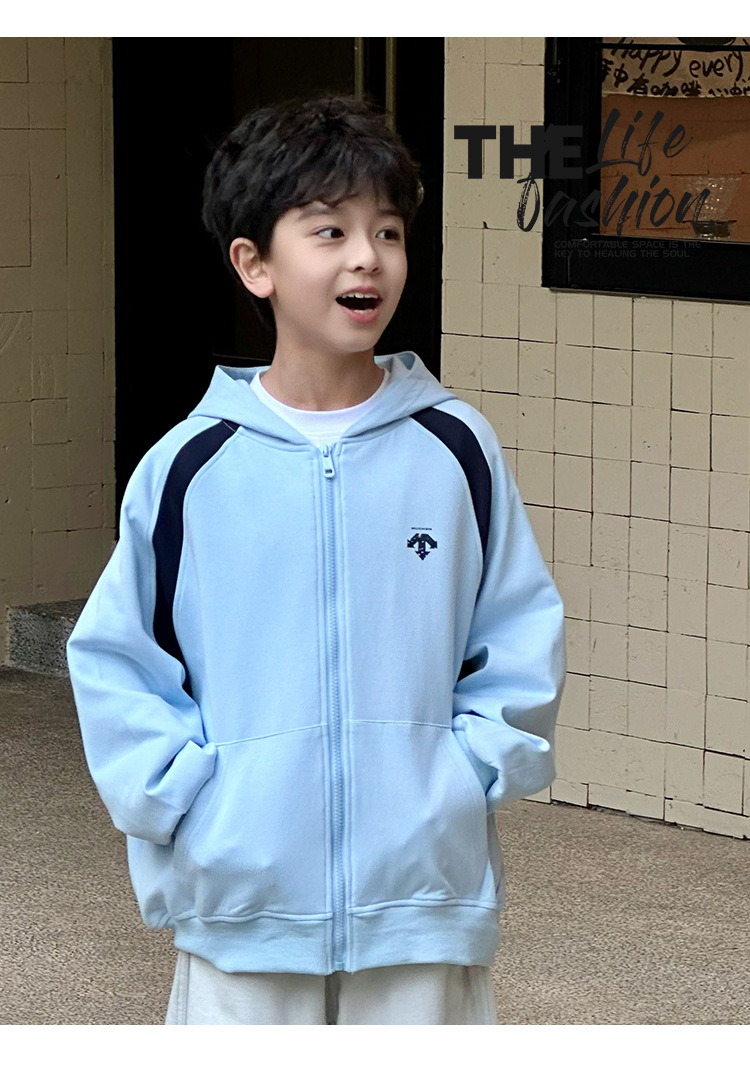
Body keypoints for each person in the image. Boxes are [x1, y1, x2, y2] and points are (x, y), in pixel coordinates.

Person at [66, 93, 566, 1025]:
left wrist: (464, 777)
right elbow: (117, 658)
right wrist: (192, 803)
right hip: (240, 905)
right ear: (253, 264)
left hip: (421, 903)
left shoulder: (456, 449)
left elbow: (517, 629)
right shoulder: (188, 468)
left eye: (388, 230)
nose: (367, 256)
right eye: (330, 230)